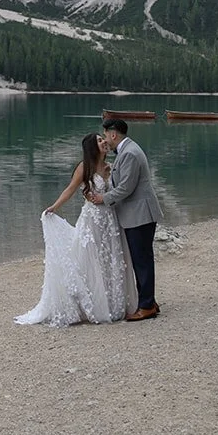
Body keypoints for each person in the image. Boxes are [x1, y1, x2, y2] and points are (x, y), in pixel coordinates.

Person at [14, 133, 137, 326]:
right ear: (92, 147)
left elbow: (118, 192)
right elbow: (70, 189)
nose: (104, 142)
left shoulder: (110, 167)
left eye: (103, 139)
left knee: (108, 260)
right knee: (90, 259)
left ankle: (111, 304)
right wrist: (55, 207)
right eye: (99, 140)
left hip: (110, 220)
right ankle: (89, 305)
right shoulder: (84, 167)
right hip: (92, 220)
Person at [85, 118, 163, 320]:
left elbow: (126, 188)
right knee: (141, 259)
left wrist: (103, 198)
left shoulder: (129, 153)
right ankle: (149, 300)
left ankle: (147, 306)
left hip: (140, 214)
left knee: (142, 260)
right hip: (138, 213)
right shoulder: (128, 150)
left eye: (105, 136)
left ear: (113, 134)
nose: (105, 141)